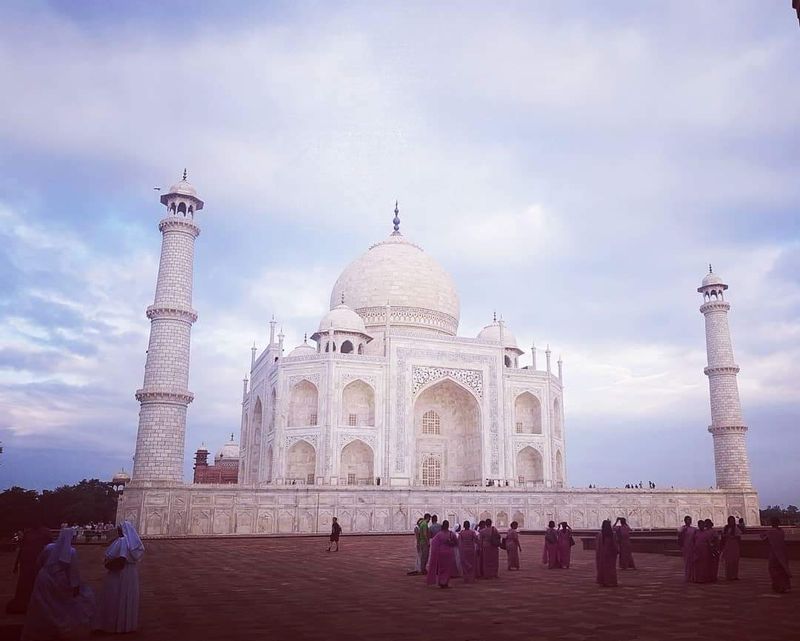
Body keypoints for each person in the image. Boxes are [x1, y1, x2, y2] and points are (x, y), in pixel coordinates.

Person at [22, 527, 95, 641]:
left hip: (44, 577)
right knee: (59, 604)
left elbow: (39, 561)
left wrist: (43, 573)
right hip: (59, 579)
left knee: (42, 603)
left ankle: (41, 627)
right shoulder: (71, 552)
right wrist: (75, 587)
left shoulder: (49, 547)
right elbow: (73, 572)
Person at [94, 521, 145, 634]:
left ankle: (113, 624)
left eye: (119, 529)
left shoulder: (122, 541)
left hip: (120, 573)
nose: (117, 530)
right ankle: (125, 625)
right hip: (130, 573)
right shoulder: (131, 542)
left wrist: (109, 566)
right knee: (126, 596)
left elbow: (121, 559)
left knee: (115, 597)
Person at [6, 519, 52, 614]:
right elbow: (22, 549)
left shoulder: (45, 532)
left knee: (38, 583)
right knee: (25, 584)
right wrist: (16, 564)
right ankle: (26, 604)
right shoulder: (28, 533)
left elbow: (50, 547)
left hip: (39, 562)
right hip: (26, 563)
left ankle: (39, 604)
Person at [761, 517, 791, 593]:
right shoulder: (781, 531)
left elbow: (763, 537)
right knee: (782, 569)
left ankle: (778, 586)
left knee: (774, 569)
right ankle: (783, 586)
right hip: (783, 552)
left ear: (772, 523)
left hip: (774, 553)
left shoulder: (771, 531)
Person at [426, 520, 458, 588]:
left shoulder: (439, 534)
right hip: (449, 553)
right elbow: (456, 543)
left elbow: (433, 543)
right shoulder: (451, 534)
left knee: (442, 568)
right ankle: (445, 582)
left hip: (441, 553)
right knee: (448, 568)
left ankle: (441, 581)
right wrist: (450, 543)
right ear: (448, 526)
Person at [595, 520, 618, 587]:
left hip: (602, 553)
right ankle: (611, 581)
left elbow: (598, 546)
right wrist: (616, 551)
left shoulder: (600, 534)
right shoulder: (612, 534)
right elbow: (614, 544)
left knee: (603, 567)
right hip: (610, 553)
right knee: (611, 568)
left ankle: (604, 581)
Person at [721, 516, 742, 581]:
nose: (731, 522)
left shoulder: (736, 528)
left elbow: (738, 537)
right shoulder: (725, 528)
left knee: (735, 560)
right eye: (730, 520)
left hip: (734, 545)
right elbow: (722, 536)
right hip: (728, 545)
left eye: (732, 520)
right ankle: (729, 576)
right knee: (728, 561)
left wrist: (732, 537)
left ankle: (735, 575)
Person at [677, 515, 697, 582]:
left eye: (690, 520)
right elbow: (679, 538)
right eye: (687, 520)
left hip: (692, 547)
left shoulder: (694, 529)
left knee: (693, 562)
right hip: (686, 547)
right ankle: (687, 577)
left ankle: (693, 576)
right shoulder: (682, 528)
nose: (689, 521)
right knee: (687, 562)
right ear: (685, 521)